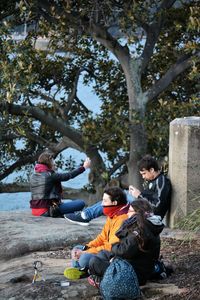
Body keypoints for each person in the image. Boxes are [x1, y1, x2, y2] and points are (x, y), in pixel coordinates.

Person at [64, 154, 171, 225]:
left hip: (148, 216)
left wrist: (139, 195)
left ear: (152, 170)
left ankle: (85, 215)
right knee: (110, 198)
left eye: (144, 173)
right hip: (140, 209)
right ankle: (85, 214)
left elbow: (157, 207)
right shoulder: (154, 180)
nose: (143, 177)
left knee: (111, 201)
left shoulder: (162, 181)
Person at [88, 199, 164, 288]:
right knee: (103, 254)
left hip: (133, 275)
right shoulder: (147, 225)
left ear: (138, 213)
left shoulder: (140, 231)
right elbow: (128, 250)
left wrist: (114, 250)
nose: (127, 214)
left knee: (94, 262)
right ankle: (103, 278)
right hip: (136, 267)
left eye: (130, 211)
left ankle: (105, 281)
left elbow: (124, 251)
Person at [64, 187, 129, 279]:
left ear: (114, 203)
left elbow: (111, 247)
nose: (102, 204)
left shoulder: (122, 219)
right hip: (103, 250)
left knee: (84, 258)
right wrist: (87, 247)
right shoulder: (113, 214)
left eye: (105, 201)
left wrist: (85, 252)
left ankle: (85, 270)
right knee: (77, 248)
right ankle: (82, 270)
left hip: (112, 255)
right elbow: (102, 237)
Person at [29, 151, 91, 217]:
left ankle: (65, 215)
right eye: (53, 161)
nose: (54, 163)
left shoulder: (33, 175)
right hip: (47, 210)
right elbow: (68, 175)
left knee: (68, 207)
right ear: (49, 162)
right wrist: (84, 167)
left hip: (35, 210)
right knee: (81, 203)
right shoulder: (50, 175)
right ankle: (69, 216)